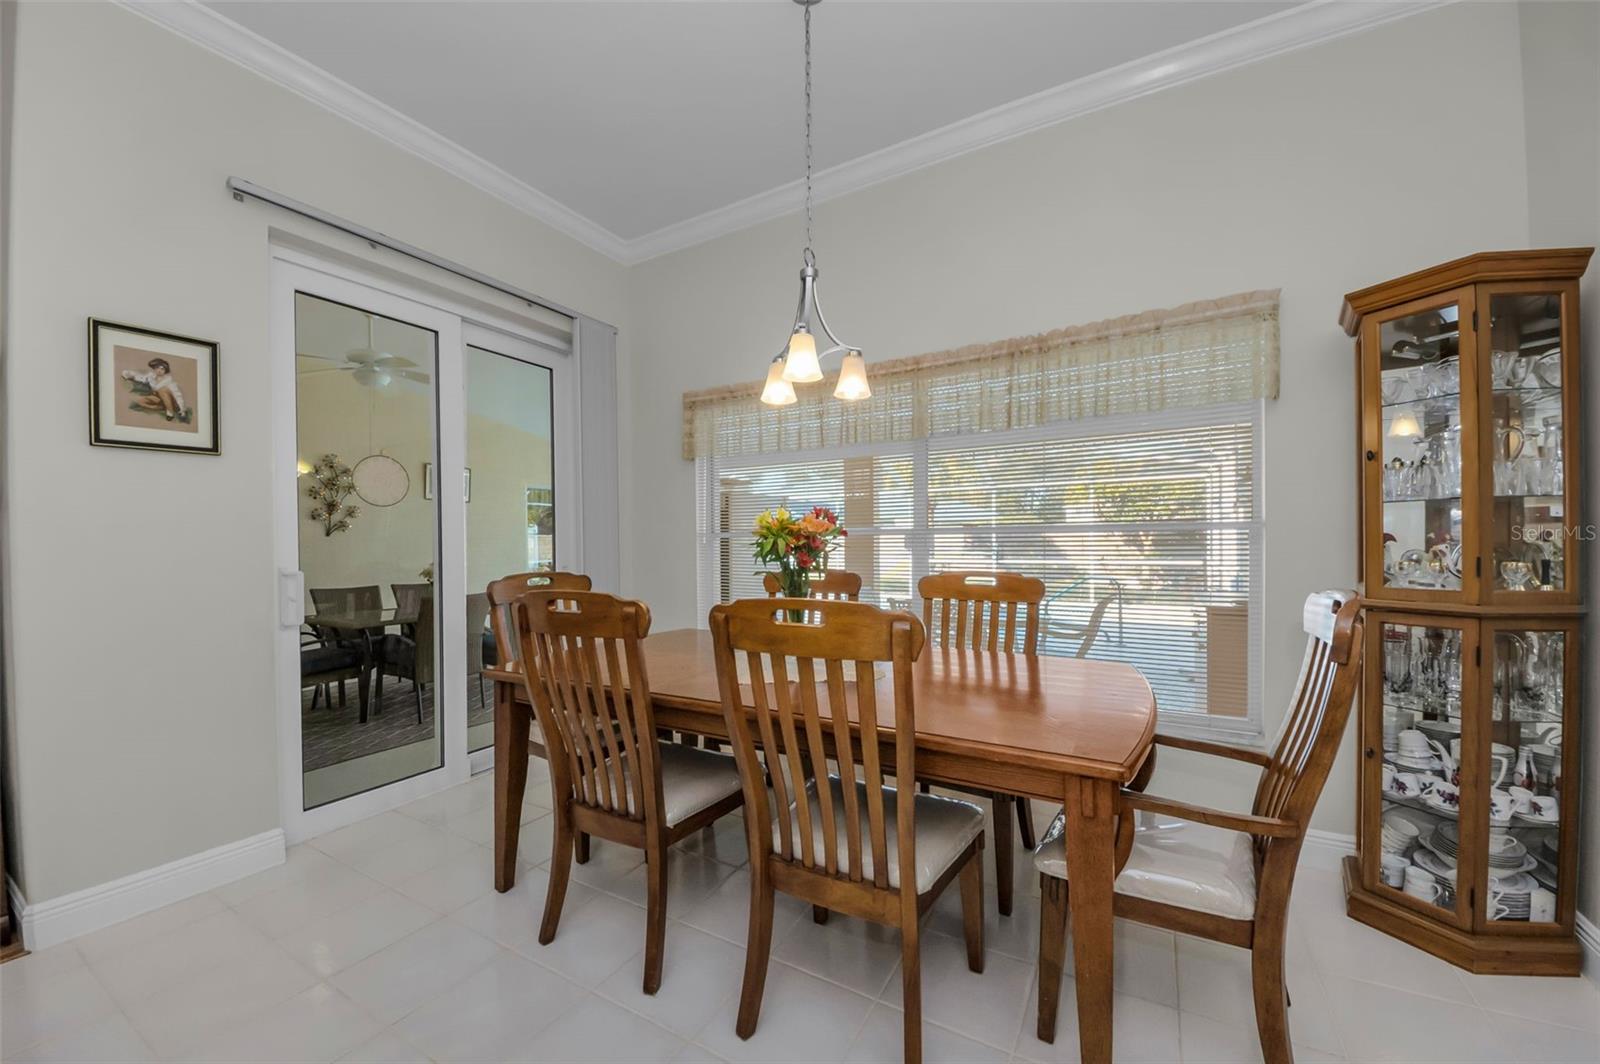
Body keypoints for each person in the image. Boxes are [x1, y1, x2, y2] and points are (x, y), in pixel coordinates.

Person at [122, 357, 187, 421]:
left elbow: (177, 395)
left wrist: (182, 409)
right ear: (154, 369)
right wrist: (129, 375)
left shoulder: (169, 381)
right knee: (140, 402)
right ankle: (163, 407)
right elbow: (141, 378)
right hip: (160, 399)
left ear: (165, 370)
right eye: (157, 368)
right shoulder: (151, 377)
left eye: (162, 369)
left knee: (162, 389)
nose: (159, 370)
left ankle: (170, 412)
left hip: (173, 401)